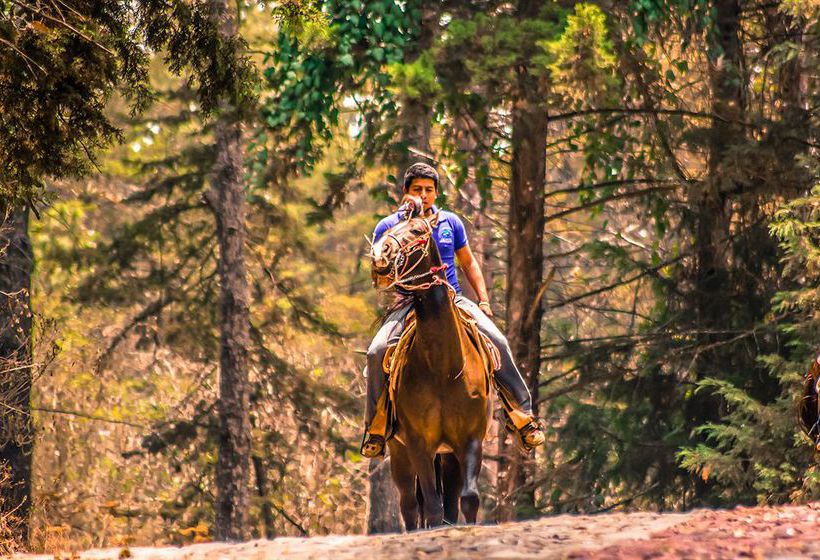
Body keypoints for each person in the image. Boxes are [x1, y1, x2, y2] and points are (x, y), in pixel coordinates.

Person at [360, 162, 546, 458]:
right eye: (417, 189)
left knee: (497, 341)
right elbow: (379, 274)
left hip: (453, 299)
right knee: (376, 351)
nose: (423, 195)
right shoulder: (388, 227)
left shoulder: (451, 223)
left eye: (429, 190)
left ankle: (522, 416)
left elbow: (468, 262)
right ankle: (376, 426)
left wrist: (483, 301)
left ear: (436, 193)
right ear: (406, 192)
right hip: (408, 304)